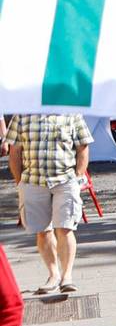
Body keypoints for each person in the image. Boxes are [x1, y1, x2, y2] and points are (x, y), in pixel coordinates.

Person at [9, 112, 90, 298]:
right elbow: (14, 151)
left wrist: (78, 177)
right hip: (33, 181)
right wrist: (19, 182)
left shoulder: (72, 114)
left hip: (65, 180)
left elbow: (83, 147)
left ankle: (66, 276)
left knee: (65, 228)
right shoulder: (22, 115)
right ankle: (53, 274)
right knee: (42, 231)